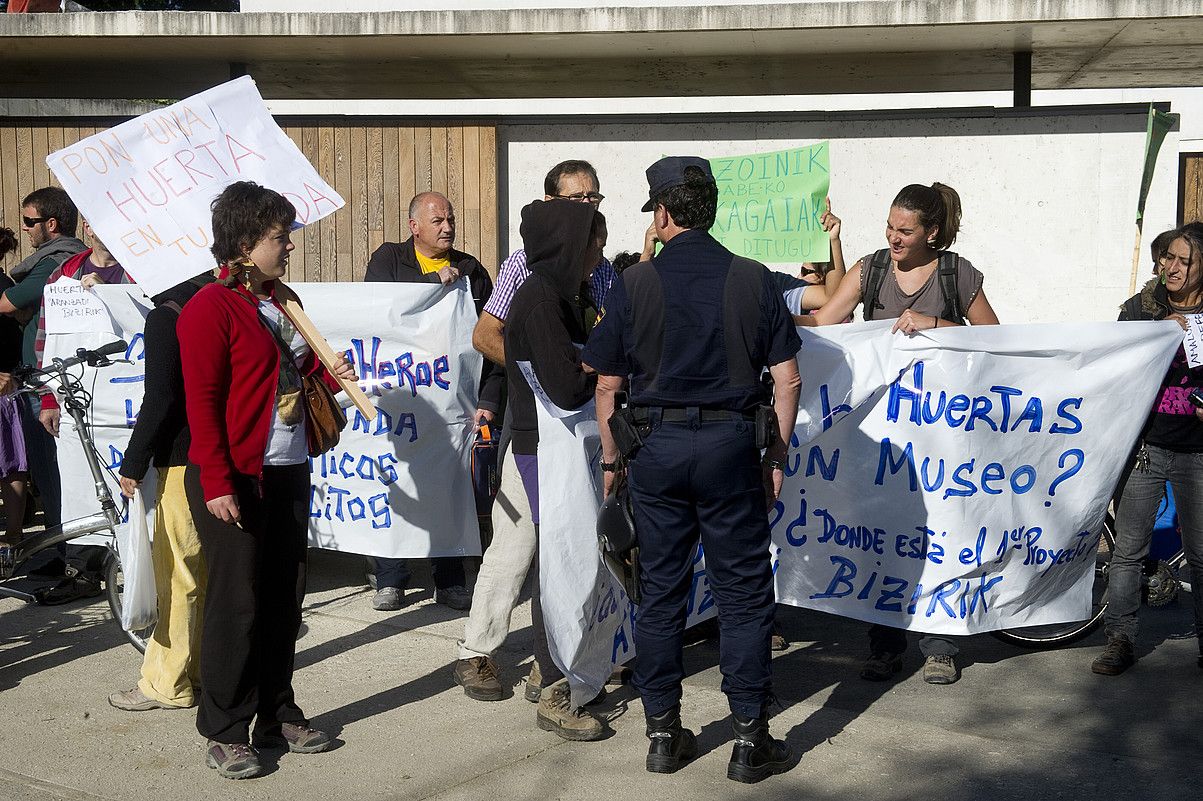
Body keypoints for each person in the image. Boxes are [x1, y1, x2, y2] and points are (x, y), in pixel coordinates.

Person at [583, 157, 801, 783]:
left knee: (658, 594)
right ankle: (748, 738)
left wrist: (609, 460)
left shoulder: (635, 283)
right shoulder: (754, 279)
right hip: (731, 449)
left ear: (664, 213)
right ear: (710, 210)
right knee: (743, 595)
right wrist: (775, 456)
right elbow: (787, 380)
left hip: (654, 451)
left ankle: (661, 734)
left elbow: (606, 385)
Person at [177, 181, 357, 780]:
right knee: (238, 603)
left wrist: (334, 378)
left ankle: (276, 714)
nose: (289, 248)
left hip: (287, 467)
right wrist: (217, 482)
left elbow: (292, 382)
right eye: (280, 237)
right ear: (246, 241)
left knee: (285, 597)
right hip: (236, 476)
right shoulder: (210, 307)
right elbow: (201, 402)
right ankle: (225, 727)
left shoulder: (283, 302)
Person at [804, 182, 999, 686]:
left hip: (944, 432)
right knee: (879, 533)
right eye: (889, 226)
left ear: (932, 233)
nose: (893, 237)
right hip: (883, 432)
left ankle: (940, 646)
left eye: (905, 230)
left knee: (942, 533)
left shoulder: (958, 274)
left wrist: (935, 323)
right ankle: (884, 643)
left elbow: (995, 338)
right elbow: (825, 321)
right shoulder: (869, 270)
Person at [452, 159, 617, 703]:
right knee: (516, 539)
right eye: (576, 199)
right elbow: (485, 334)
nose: (587, 207)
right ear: (550, 205)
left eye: (592, 197)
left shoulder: (605, 268)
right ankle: (478, 649)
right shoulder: (526, 266)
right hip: (534, 426)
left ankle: (575, 651)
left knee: (576, 543)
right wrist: (543, 368)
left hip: (586, 434)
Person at [362, 191, 502, 612]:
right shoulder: (388, 260)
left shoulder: (472, 271)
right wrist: (429, 287)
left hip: (452, 408)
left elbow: (493, 338)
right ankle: (391, 577)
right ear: (414, 227)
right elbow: (379, 312)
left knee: (449, 489)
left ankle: (450, 578)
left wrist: (489, 399)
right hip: (400, 401)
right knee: (395, 484)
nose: (447, 227)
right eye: (438, 220)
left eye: (451, 220)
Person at [504, 198, 607, 741]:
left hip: (563, 444)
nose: (598, 252)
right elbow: (566, 387)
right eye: (591, 241)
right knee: (560, 558)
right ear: (568, 244)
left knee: (569, 554)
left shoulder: (562, 295)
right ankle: (554, 686)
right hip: (544, 445)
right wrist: (603, 367)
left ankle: (565, 665)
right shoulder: (540, 300)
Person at [1093, 222, 1203, 675]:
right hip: (1145, 447)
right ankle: (1120, 640)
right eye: (1168, 258)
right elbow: (1116, 362)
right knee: (1129, 551)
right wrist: (1158, 329)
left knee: (1200, 554)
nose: (1171, 268)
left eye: (1184, 261)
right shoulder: (1141, 308)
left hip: (1197, 451)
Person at [108, 271, 215, 712]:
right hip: (219, 458)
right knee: (205, 571)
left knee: (178, 573)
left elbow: (161, 398)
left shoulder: (166, 317)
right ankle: (202, 670)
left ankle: (166, 681)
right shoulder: (220, 304)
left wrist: (134, 461)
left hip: (182, 459)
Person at [0, 187, 87, 589]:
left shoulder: (56, 260)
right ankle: (60, 552)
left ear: (51, 224)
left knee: (54, 474)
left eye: (30, 222)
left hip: (47, 384)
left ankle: (67, 558)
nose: (25, 229)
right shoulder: (65, 258)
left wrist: (17, 303)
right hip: (48, 379)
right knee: (52, 473)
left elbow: (7, 303)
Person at [0, 226, 26, 566]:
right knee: (11, 467)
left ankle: (15, 540)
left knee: (12, 467)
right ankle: (15, 541)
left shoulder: (5, 288)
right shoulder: (8, 287)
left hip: (6, 385)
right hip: (9, 382)